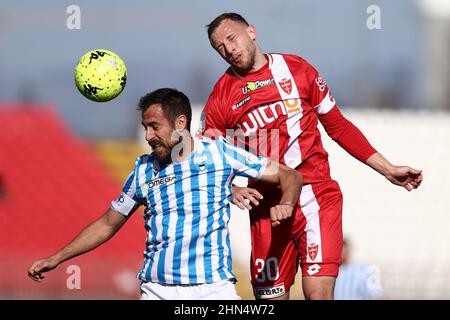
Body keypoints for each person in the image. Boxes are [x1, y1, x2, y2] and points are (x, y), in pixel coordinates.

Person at [201, 12, 423, 300]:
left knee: (318, 295)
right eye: (220, 47)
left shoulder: (297, 70)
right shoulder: (221, 95)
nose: (229, 49)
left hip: (316, 197)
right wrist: (229, 189)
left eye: (231, 38)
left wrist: (387, 168)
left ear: (251, 31)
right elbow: (205, 155)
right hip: (268, 211)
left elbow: (338, 126)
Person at [27, 88, 303, 300]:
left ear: (180, 122)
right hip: (157, 290)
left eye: (154, 127)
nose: (147, 136)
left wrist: (287, 203)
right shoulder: (143, 170)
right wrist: (57, 258)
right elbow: (108, 223)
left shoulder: (219, 154)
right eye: (145, 127)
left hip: (212, 289)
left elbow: (289, 174)